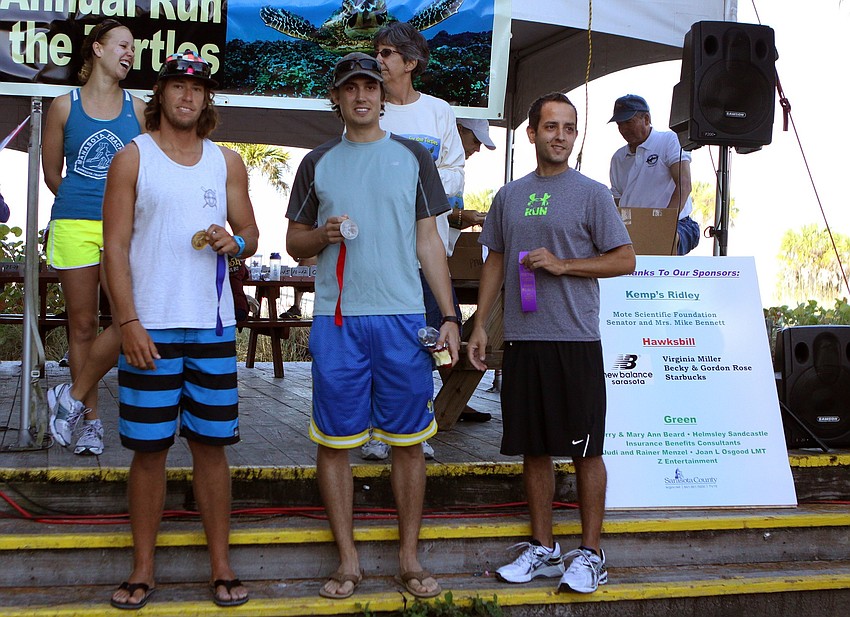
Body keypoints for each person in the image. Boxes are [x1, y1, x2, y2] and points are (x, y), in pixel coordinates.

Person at [285, 52, 460, 600]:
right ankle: (347, 561)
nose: (361, 96)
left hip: (404, 319)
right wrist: (324, 235)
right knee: (335, 444)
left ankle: (409, 558)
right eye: (349, 88)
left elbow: (429, 241)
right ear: (335, 98)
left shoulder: (413, 157)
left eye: (370, 86)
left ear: (384, 95)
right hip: (339, 321)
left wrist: (450, 316)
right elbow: (295, 244)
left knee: (409, 444)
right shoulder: (317, 163)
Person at [103, 51, 258, 609]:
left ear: (205, 100)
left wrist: (234, 243)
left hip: (213, 327)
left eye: (197, 89)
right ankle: (142, 570)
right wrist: (127, 322)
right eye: (176, 87)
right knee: (148, 453)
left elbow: (250, 233)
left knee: (212, 449)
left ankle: (221, 566)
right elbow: (113, 249)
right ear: (161, 95)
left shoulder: (227, 162)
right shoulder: (132, 158)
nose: (187, 96)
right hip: (151, 327)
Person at [467, 92, 635, 594]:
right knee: (535, 450)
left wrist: (564, 265)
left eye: (568, 128)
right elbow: (495, 259)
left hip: (575, 340)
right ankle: (544, 548)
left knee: (586, 449)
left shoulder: (591, 194)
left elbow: (625, 259)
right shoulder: (509, 196)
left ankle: (591, 553)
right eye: (551, 127)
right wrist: (480, 322)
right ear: (532, 133)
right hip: (523, 340)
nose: (560, 136)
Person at [360, 21, 465, 460]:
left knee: (426, 338)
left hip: (427, 249)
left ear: (411, 62)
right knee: (381, 338)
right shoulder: (371, 109)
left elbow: (456, 174)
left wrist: (410, 184)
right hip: (381, 251)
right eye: (378, 53)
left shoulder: (439, 111)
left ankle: (416, 427)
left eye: (386, 54)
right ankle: (376, 431)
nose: (379, 61)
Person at [43, 18, 146, 455]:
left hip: (123, 228)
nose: (129, 53)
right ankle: (88, 422)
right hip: (73, 223)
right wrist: (86, 203)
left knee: (130, 321)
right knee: (82, 325)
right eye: (122, 45)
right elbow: (53, 174)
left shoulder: (139, 109)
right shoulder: (63, 107)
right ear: (97, 49)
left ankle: (69, 395)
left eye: (133, 48)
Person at [608, 94, 700, 255]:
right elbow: (618, 201)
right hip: (633, 229)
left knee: (663, 247)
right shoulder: (618, 158)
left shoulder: (668, 140)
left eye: (628, 122)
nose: (623, 129)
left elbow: (684, 185)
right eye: (619, 124)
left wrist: (663, 224)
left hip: (677, 224)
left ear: (646, 118)